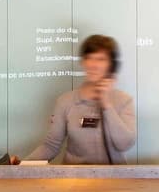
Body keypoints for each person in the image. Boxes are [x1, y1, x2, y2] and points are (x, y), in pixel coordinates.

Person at [21, 34, 136, 164]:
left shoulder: (124, 100)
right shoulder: (65, 101)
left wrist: (106, 105)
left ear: (111, 65)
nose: (93, 65)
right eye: (89, 58)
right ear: (83, 62)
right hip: (74, 175)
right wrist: (21, 166)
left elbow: (124, 144)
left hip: (114, 176)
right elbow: (51, 146)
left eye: (101, 59)